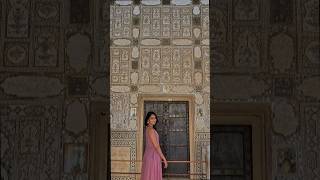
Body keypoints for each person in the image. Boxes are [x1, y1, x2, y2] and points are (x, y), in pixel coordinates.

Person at [141, 112, 168, 180]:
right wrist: (164, 158)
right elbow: (156, 146)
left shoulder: (148, 129)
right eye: (152, 118)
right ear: (148, 120)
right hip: (152, 157)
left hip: (150, 155)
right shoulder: (151, 130)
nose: (154, 119)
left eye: (155, 118)